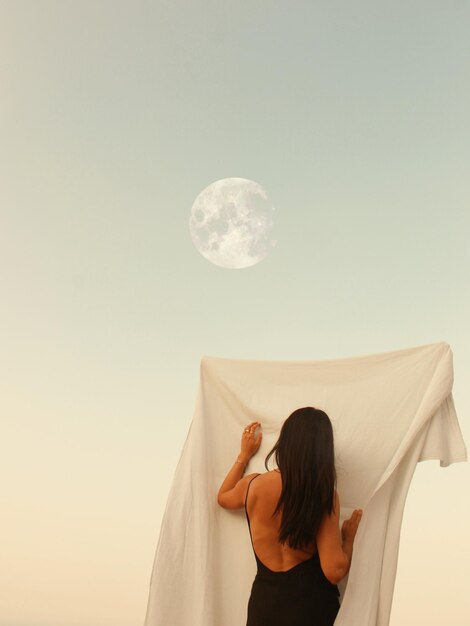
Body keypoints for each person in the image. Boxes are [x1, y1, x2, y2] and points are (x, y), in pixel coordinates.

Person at [217, 407, 363, 626]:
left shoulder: (252, 486)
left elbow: (223, 497)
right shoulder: (322, 494)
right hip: (310, 610)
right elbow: (334, 570)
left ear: (285, 442)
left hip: (264, 608)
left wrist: (244, 456)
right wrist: (349, 539)